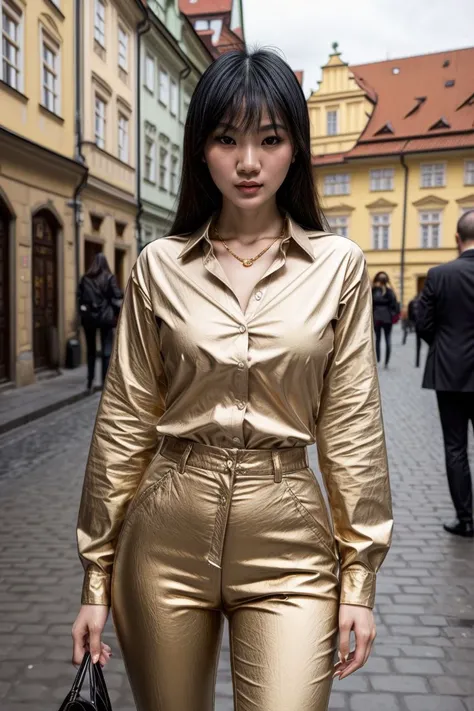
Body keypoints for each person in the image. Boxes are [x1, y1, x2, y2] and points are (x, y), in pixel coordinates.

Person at [71, 49, 393, 711]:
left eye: (269, 139)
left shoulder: (339, 267)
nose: (248, 162)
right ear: (201, 151)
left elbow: (351, 427)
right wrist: (95, 582)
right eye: (227, 139)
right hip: (164, 537)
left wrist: (358, 580)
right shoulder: (158, 266)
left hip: (292, 543)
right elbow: (125, 422)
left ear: (295, 150)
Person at [417, 209, 474, 539]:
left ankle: (466, 519)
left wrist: (444, 347)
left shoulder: (439, 274)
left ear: (456, 238)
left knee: (455, 448)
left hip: (449, 373)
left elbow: (423, 323)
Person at [77, 253, 123, 393]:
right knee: (106, 351)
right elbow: (117, 296)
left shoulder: (85, 279)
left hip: (89, 318)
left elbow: (79, 298)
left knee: (90, 351)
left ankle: (90, 382)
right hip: (106, 318)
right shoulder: (109, 277)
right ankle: (104, 383)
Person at [372, 272, 399, 368]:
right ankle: (386, 362)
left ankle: (378, 359)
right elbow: (395, 305)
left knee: (377, 339)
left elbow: (370, 304)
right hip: (387, 318)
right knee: (388, 339)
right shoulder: (390, 291)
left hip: (376, 318)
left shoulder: (373, 290)